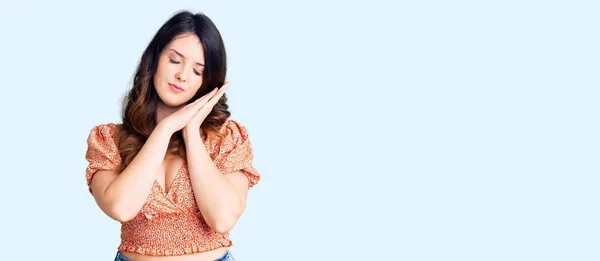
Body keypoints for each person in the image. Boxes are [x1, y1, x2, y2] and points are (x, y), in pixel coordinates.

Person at [84, 10, 260, 261]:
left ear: (208, 81)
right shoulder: (109, 138)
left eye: (198, 71)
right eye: (175, 61)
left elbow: (222, 219)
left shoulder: (227, 139)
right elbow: (121, 208)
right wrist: (165, 128)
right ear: (154, 60)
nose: (183, 75)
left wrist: (190, 132)